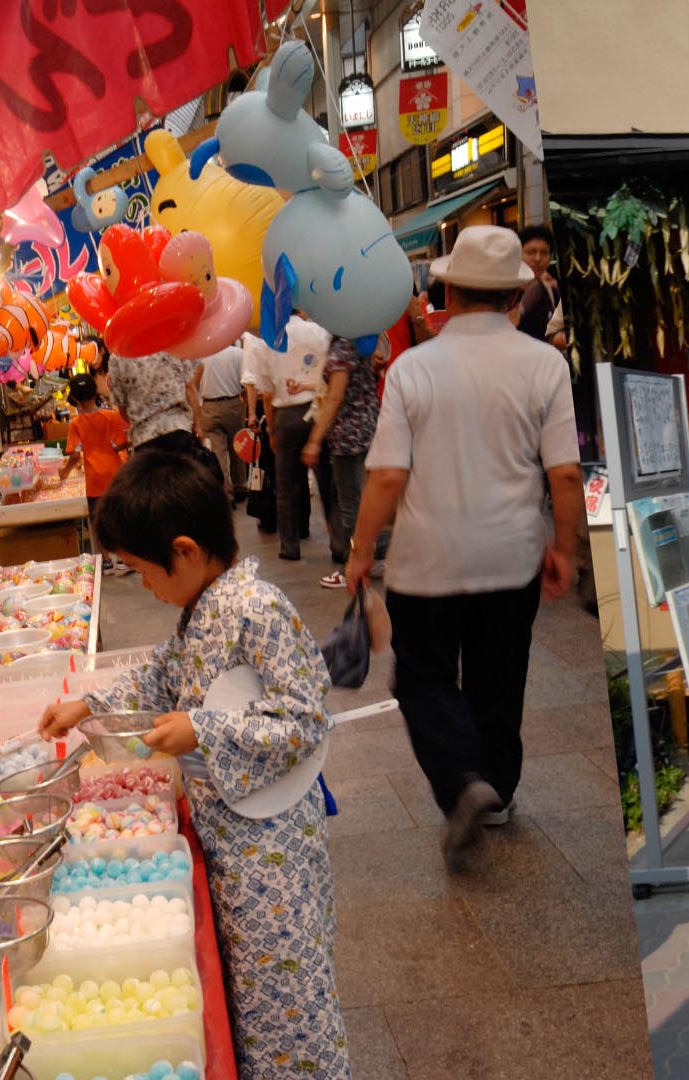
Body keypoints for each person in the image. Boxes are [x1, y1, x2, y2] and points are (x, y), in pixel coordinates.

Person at [39, 449, 346, 1078]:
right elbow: (161, 675)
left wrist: (202, 728)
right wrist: (91, 707)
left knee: (286, 998)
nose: (146, 587)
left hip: (271, 848)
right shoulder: (202, 609)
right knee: (254, 996)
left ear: (183, 550)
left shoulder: (256, 609)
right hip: (236, 837)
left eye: (142, 571)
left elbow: (305, 719)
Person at [344, 225, 582, 871]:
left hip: (427, 563)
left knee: (422, 678)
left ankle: (460, 784)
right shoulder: (544, 363)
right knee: (499, 674)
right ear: (513, 296)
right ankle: (498, 792)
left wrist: (361, 549)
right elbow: (563, 471)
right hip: (512, 555)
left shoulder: (414, 368)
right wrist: (566, 547)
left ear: (446, 290)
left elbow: (388, 474)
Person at [242, 319, 332, 560]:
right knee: (328, 483)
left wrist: (271, 430)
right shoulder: (316, 330)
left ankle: (290, 546)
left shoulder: (267, 341)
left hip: (286, 416)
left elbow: (267, 393)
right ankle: (340, 545)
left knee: (286, 485)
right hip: (318, 409)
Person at [302, 335, 387, 590]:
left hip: (348, 434)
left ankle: (356, 562)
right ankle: (378, 552)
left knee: (351, 504)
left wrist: (315, 439)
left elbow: (336, 396)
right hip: (368, 427)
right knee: (366, 497)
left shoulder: (341, 346)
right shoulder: (360, 339)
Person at [59, 374, 130, 575]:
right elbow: (123, 444)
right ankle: (124, 559)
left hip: (94, 479)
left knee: (98, 521)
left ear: (76, 399)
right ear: (95, 393)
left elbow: (73, 455)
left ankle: (106, 561)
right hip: (115, 475)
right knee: (119, 518)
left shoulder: (75, 424)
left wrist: (64, 472)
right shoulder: (112, 417)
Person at [107, 349, 216, 480]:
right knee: (186, 486)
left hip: (144, 438)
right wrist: (197, 425)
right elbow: (189, 386)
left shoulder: (118, 356)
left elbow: (122, 406)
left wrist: (138, 424)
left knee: (154, 491)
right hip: (178, 429)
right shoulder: (170, 342)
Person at [187, 341, 251, 504]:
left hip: (209, 407)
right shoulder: (238, 354)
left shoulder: (203, 355)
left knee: (218, 452)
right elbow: (246, 382)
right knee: (237, 447)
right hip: (233, 405)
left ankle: (225, 492)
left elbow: (193, 384)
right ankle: (240, 487)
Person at [509, 225, 566, 349]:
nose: (538, 258)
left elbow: (551, 333)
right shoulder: (505, 293)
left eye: (544, 253)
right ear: (519, 254)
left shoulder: (552, 291)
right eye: (531, 252)